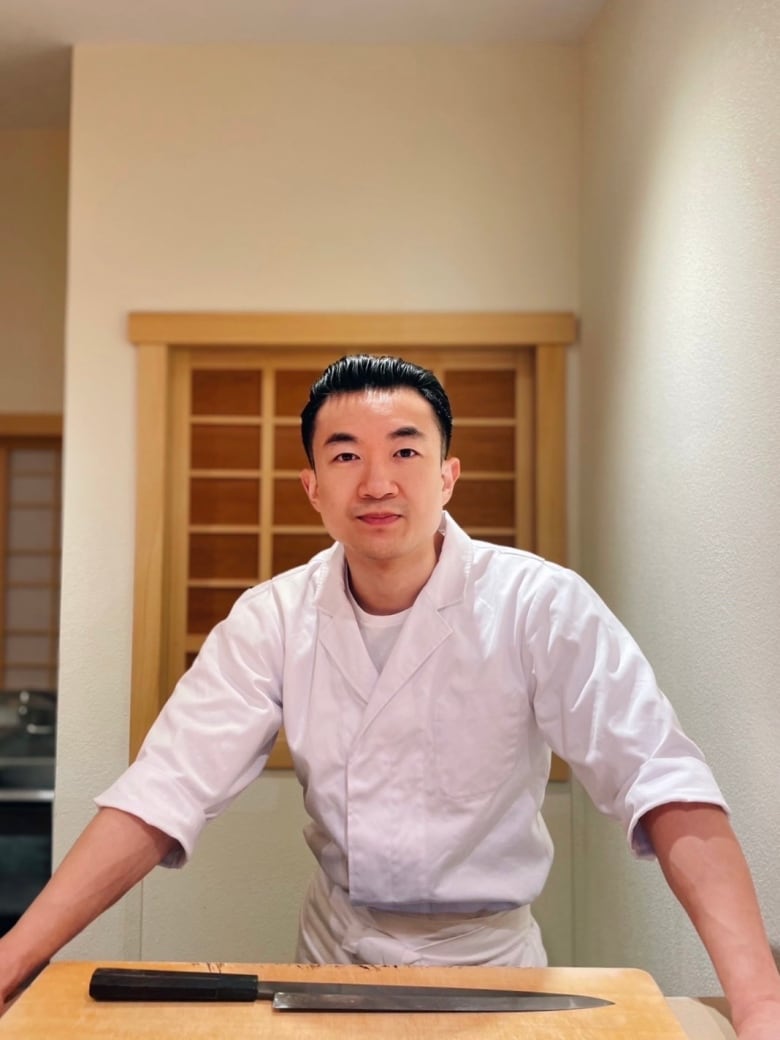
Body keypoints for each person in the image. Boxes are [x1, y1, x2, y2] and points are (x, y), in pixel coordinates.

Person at [0, 355, 778, 1037]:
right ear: (312, 487)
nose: (377, 482)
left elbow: (663, 782)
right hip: (329, 963)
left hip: (496, 973)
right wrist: (13, 959)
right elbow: (161, 791)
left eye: (406, 450)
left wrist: (759, 1003)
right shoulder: (273, 616)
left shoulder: (541, 605)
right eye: (345, 456)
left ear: (447, 475)